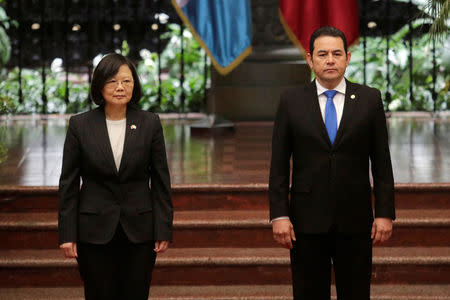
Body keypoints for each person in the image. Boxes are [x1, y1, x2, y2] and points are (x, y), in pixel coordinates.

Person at [269, 26, 395, 300]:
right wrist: (279, 215)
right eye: (322, 54)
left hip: (356, 219)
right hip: (306, 221)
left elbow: (382, 164)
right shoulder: (291, 101)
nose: (330, 60)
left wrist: (385, 212)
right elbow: (278, 165)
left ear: (347, 58)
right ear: (310, 58)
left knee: (356, 293)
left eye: (337, 54)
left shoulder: (369, 99)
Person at [58, 53, 173, 300]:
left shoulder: (149, 123)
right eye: (112, 81)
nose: (120, 87)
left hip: (140, 230)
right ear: (99, 85)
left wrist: (163, 227)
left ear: (135, 84)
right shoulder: (80, 125)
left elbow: (162, 181)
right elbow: (68, 183)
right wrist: (67, 234)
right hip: (93, 230)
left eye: (126, 81)